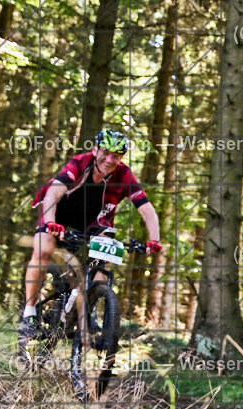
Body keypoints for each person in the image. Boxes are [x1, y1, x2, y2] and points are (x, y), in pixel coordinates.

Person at [19, 129, 162, 350]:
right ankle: (29, 312)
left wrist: (154, 240)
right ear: (95, 150)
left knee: (106, 254)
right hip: (60, 212)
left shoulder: (124, 175)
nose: (109, 159)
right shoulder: (79, 163)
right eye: (105, 152)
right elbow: (53, 193)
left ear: (121, 157)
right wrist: (50, 222)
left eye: (116, 155)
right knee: (43, 249)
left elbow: (147, 209)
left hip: (94, 220)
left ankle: (91, 304)